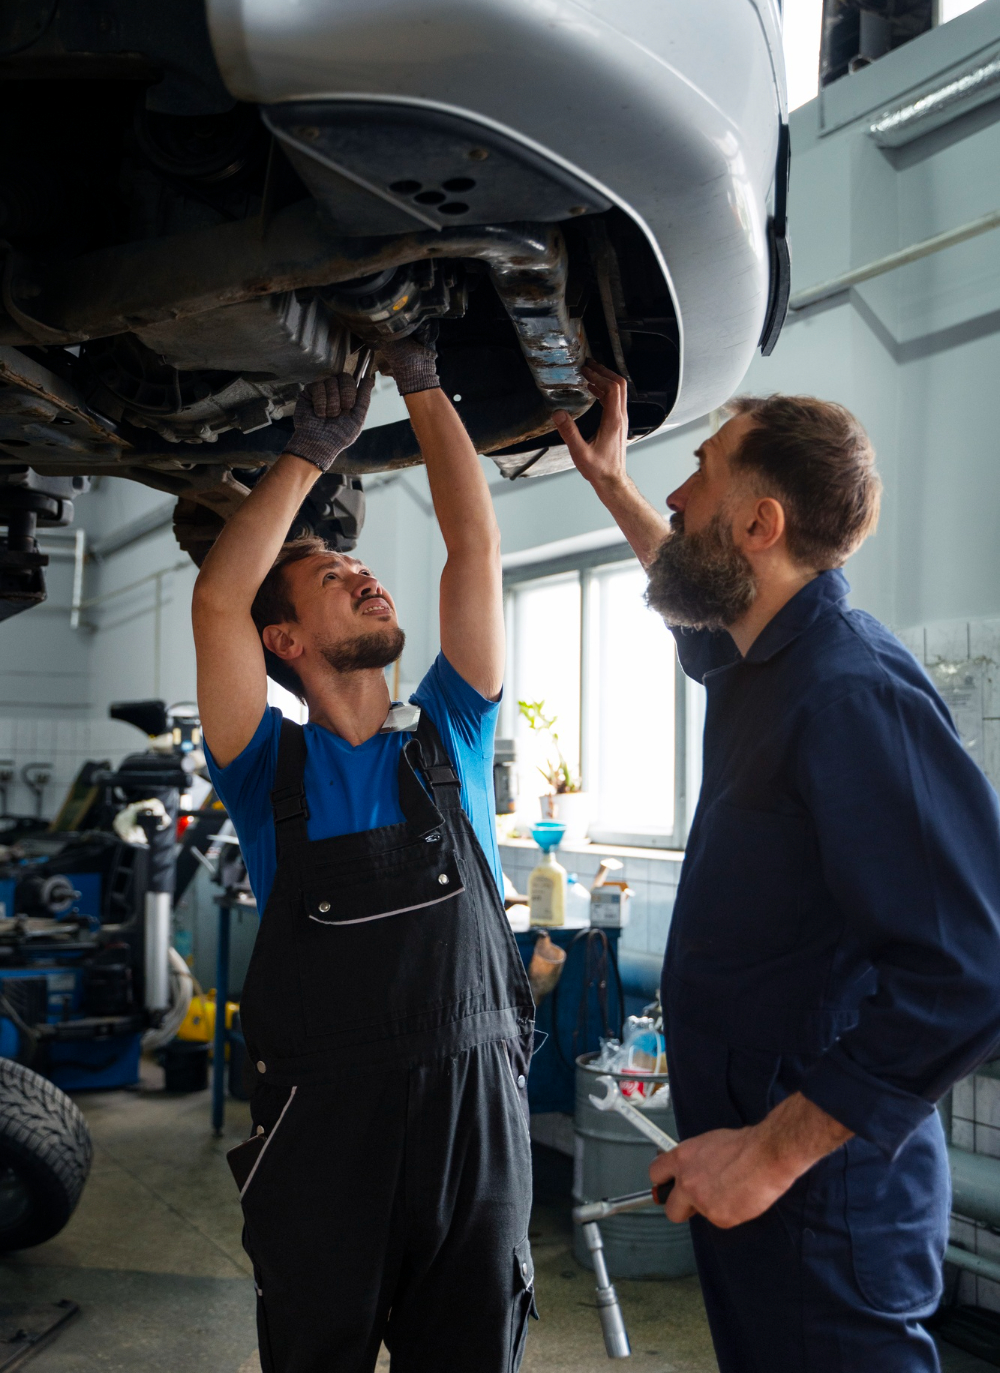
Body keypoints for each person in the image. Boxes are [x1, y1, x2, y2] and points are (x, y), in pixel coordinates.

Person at [554, 363, 1000, 1373]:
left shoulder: (849, 692)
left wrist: (770, 1153)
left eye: (698, 474)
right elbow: (693, 608)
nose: (674, 494)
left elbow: (967, 974)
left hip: (826, 1192)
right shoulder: (764, 659)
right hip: (758, 1167)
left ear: (758, 525)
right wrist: (609, 485)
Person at [192, 337, 535, 1373]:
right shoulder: (267, 771)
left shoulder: (451, 734)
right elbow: (219, 603)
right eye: (332, 575)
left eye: (357, 563)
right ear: (285, 643)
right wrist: (305, 453)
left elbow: (470, 551)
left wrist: (425, 381)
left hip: (474, 1116)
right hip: (323, 1139)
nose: (362, 572)